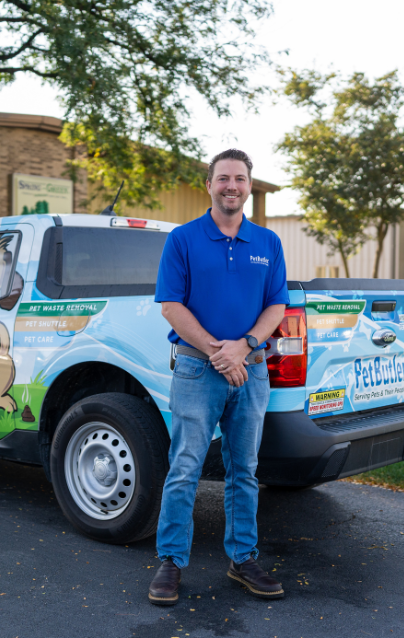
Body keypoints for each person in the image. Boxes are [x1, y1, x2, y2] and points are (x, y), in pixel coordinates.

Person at [149, 149, 289, 605]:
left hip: (250, 369)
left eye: (241, 179)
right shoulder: (183, 240)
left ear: (249, 186)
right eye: (223, 178)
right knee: (185, 465)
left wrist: (245, 347)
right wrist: (217, 352)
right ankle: (170, 562)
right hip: (196, 367)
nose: (232, 186)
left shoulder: (268, 243)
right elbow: (171, 304)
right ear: (208, 185)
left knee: (244, 469)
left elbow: (276, 306)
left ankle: (242, 558)